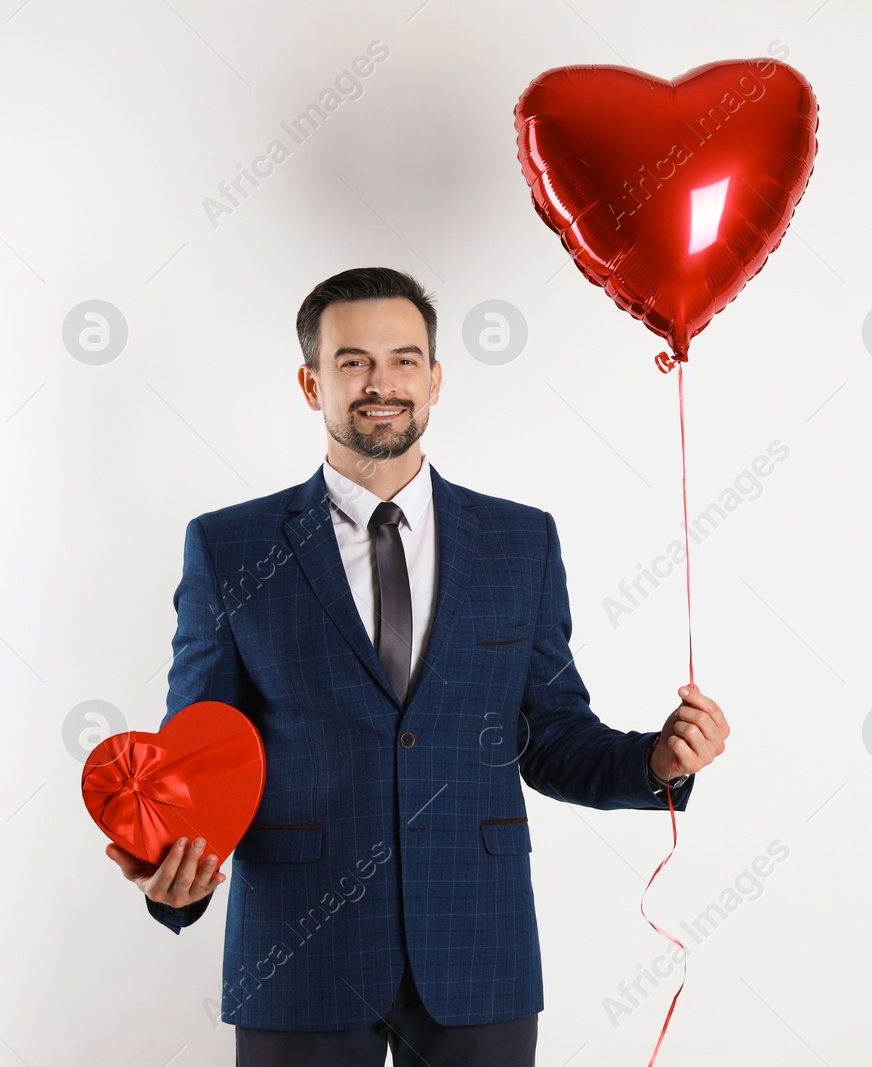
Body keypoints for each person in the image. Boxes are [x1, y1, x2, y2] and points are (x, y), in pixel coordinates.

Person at [104, 266, 729, 1067]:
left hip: (479, 947)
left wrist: (654, 760)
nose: (381, 383)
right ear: (310, 382)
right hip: (298, 953)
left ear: (435, 378)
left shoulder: (519, 542)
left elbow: (548, 735)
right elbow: (198, 749)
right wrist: (170, 864)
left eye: (404, 360)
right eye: (352, 361)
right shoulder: (231, 549)